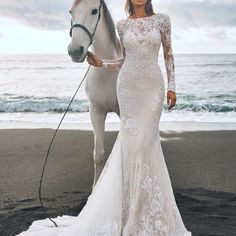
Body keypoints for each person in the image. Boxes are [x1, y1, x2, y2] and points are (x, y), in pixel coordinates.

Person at [18, 0, 192, 235]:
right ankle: (128, 206)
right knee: (130, 145)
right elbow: (125, 61)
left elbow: (169, 55)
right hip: (127, 86)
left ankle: (147, 205)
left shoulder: (162, 20)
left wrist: (172, 86)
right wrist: (102, 63)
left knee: (147, 143)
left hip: (152, 88)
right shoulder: (122, 25)